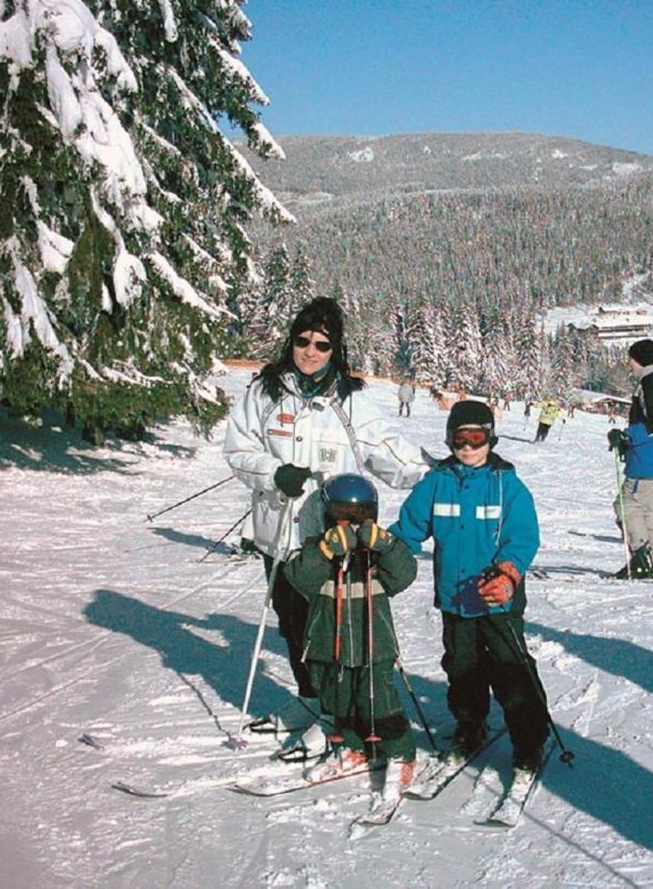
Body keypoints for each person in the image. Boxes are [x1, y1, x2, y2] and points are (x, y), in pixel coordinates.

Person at [223, 297, 426, 754]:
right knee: (292, 625)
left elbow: (389, 452)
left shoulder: (349, 401)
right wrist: (273, 472)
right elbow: (237, 451)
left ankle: (334, 715)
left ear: (335, 349)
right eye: (302, 341)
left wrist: (440, 469)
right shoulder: (264, 393)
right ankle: (309, 699)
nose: (310, 351)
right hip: (277, 532)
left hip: (331, 540)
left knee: (330, 633)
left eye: (321, 343)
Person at [390, 400, 549, 776]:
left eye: (476, 438)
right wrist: (380, 551)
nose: (467, 447)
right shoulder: (436, 483)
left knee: (511, 670)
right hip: (455, 598)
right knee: (462, 668)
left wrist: (508, 575)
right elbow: (409, 530)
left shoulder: (507, 486)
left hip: (498, 598)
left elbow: (523, 538)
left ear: (490, 438)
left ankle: (529, 741)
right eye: (459, 439)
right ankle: (470, 724)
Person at [282, 475, 419, 795]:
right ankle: (354, 747)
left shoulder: (377, 553)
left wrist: (386, 544)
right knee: (338, 699)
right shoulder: (316, 548)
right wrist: (325, 548)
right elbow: (300, 578)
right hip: (328, 642)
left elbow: (404, 575)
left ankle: (401, 752)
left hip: (375, 643)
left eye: (359, 516)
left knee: (379, 701)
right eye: (342, 514)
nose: (351, 524)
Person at [607, 339, 653, 579]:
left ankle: (641, 559)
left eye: (630, 358)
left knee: (626, 506)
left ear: (638, 359)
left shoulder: (649, 383)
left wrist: (628, 435)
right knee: (646, 511)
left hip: (647, 460)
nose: (628, 362)